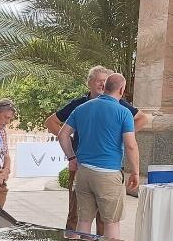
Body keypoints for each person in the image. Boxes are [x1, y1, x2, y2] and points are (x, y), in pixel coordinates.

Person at [44, 65, 152, 232]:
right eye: (98, 81)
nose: (102, 84)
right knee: (83, 216)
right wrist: (72, 152)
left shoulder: (112, 107)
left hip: (86, 169)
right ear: (89, 83)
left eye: (105, 81)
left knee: (91, 220)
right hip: (90, 167)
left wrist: (121, 135)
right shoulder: (81, 104)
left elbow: (142, 119)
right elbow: (51, 122)